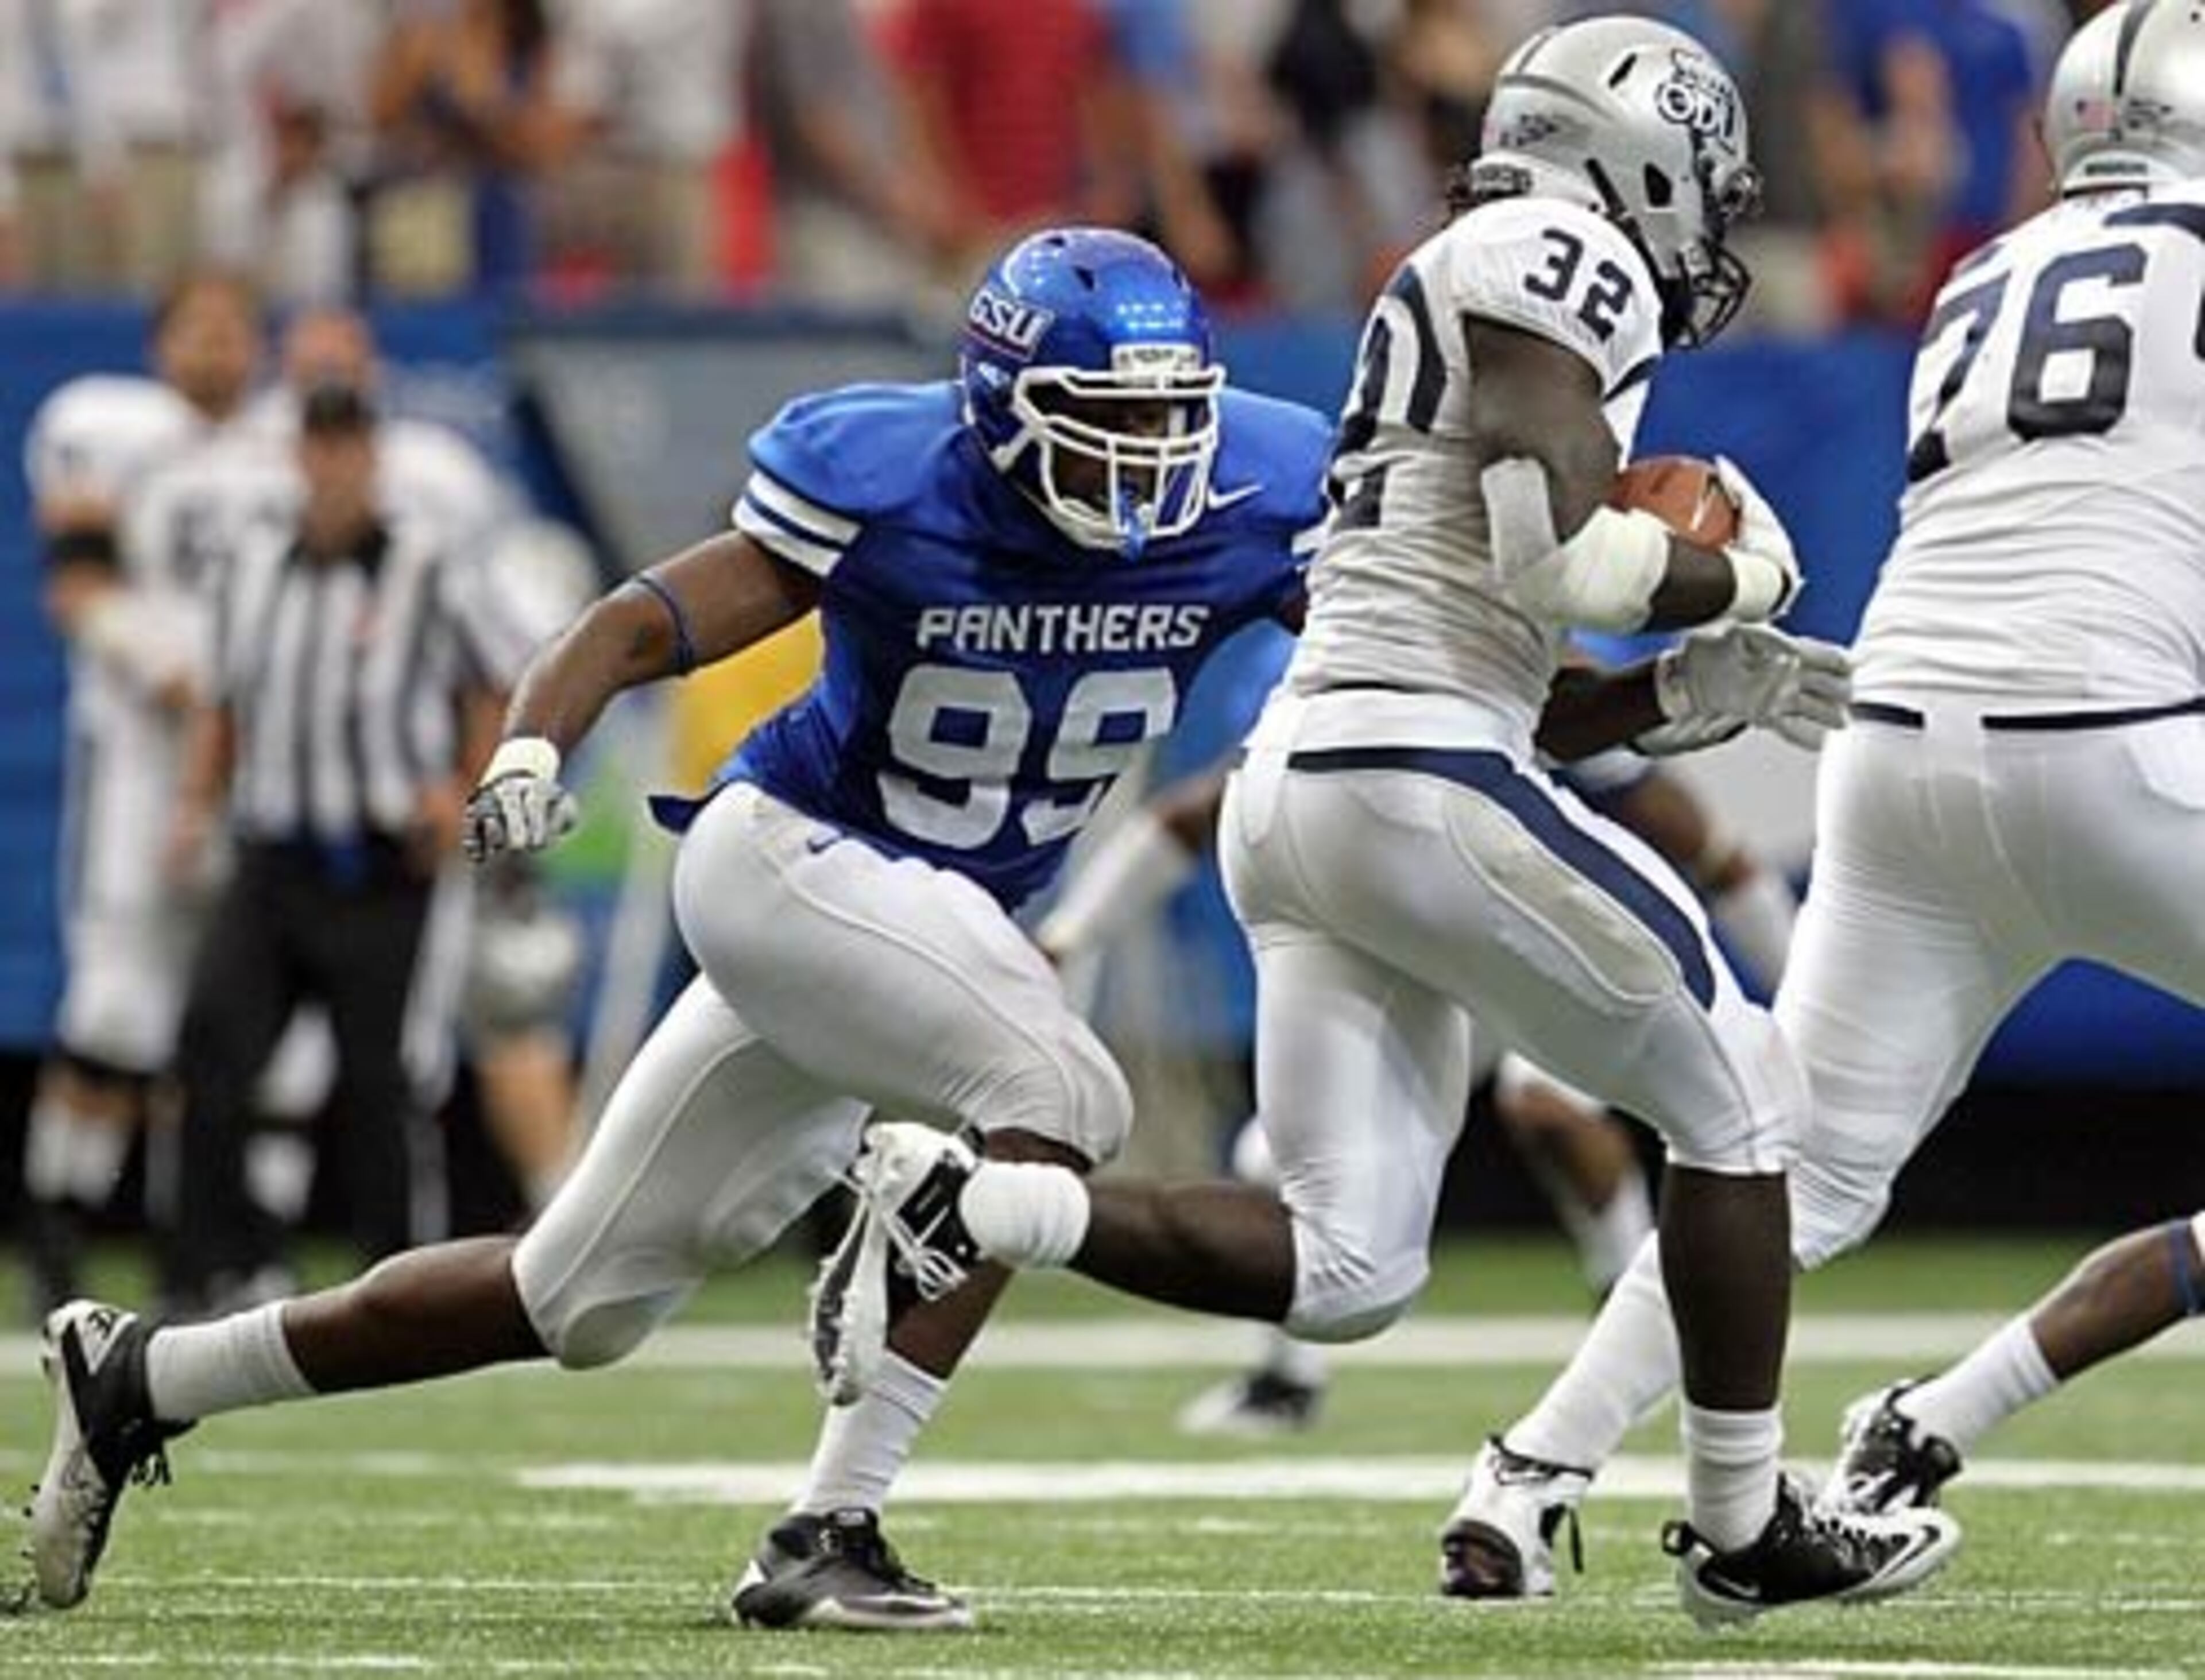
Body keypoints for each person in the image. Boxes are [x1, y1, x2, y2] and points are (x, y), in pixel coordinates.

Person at [818, 15, 1956, 1627]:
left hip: (1322, 785)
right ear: (1628, 158)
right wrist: (1741, 571)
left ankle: (968, 1197)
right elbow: (1567, 559)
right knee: (1749, 1102)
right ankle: (1741, 1517)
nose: (1699, 214)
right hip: (1411, 775)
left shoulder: (1480, 263)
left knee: (1349, 1265)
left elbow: (1528, 644)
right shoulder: (1558, 245)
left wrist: (1696, 688)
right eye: (1692, 176)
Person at [24, 226, 1330, 1624]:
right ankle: (833, 1516)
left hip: (921, 932)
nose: (1146, 456)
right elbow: (647, 624)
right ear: (1000, 405)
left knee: (571, 1298)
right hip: (787, 862)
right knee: (1061, 1091)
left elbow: (1390, 658)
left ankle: (147, 1377)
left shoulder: (1264, 486)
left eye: (1168, 417)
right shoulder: (896, 475)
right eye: (1105, 420)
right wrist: (534, 745)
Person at [1433, 0, 2205, 1600]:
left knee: (1803, 1164)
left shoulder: (1989, 272)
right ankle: (1935, 1411)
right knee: (1795, 1154)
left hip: (1907, 741)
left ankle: (1531, 1467)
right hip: (2120, 746)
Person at [1034, 734, 1800, 1435]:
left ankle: (1638, 1318)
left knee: (1552, 1105)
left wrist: (1803, 1005)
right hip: (1435, 954)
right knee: (1277, 1162)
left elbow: (1715, 852)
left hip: (1559, 942)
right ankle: (1285, 1376)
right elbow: (1190, 815)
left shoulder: (1539, 690)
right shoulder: (1346, 698)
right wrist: (1067, 938)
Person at [158, 380, 524, 1310]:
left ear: (372, 454)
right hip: (274, 855)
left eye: (348, 442)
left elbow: (500, 677)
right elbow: (224, 700)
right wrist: (192, 806)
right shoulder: (253, 564)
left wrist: (467, 790)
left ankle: (396, 1285)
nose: (331, 462)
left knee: (379, 1083)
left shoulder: (431, 563)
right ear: (298, 454)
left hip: (383, 863)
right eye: (317, 443)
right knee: (212, 1046)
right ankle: (212, 1269)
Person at [18, 270, 266, 1317]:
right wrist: (169, 666)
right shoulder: (105, 426)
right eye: (196, 331)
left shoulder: (282, 452)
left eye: (233, 332)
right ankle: (56, 1223)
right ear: (159, 343)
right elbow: (75, 583)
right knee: (115, 1003)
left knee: (227, 1019)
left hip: (254, 754)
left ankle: (195, 1239)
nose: (215, 352)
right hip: (139, 750)